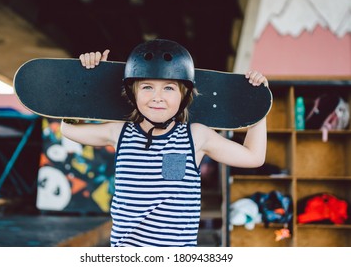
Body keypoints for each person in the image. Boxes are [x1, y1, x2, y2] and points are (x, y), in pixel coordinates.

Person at [61, 39, 268, 247]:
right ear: (133, 93)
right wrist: (87, 79)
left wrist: (260, 103)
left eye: (169, 88)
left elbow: (254, 157)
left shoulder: (195, 137)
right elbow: (68, 129)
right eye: (147, 87)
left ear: (184, 95)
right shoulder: (120, 133)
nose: (157, 97)